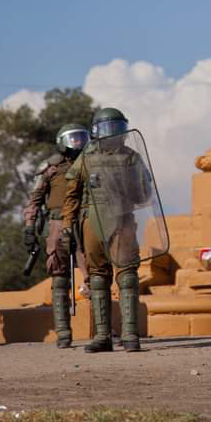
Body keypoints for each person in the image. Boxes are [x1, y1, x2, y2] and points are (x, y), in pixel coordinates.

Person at [61, 107, 152, 353]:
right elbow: (72, 195)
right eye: (107, 128)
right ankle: (103, 336)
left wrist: (129, 186)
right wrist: (68, 225)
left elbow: (144, 192)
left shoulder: (131, 157)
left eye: (116, 128)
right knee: (97, 277)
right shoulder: (86, 157)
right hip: (92, 220)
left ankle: (130, 333)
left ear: (124, 130)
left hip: (122, 219)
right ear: (96, 132)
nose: (112, 134)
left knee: (128, 275)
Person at [22, 123, 90, 348]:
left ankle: (104, 330)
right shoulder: (50, 167)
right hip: (57, 224)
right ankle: (63, 332)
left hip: (85, 222)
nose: (78, 143)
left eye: (81, 138)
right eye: (73, 138)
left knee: (95, 275)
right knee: (59, 277)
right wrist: (30, 227)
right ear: (62, 141)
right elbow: (34, 200)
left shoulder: (90, 163)